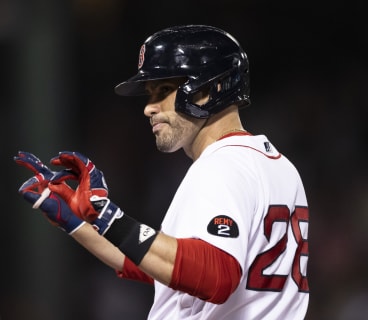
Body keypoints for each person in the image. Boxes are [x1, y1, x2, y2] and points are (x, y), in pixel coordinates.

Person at [13, 24, 310, 319]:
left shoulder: (222, 166)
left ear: (207, 90)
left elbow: (215, 277)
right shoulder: (280, 168)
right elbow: (170, 271)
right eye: (150, 94)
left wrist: (107, 215)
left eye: (164, 91)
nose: (148, 108)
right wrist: (82, 222)